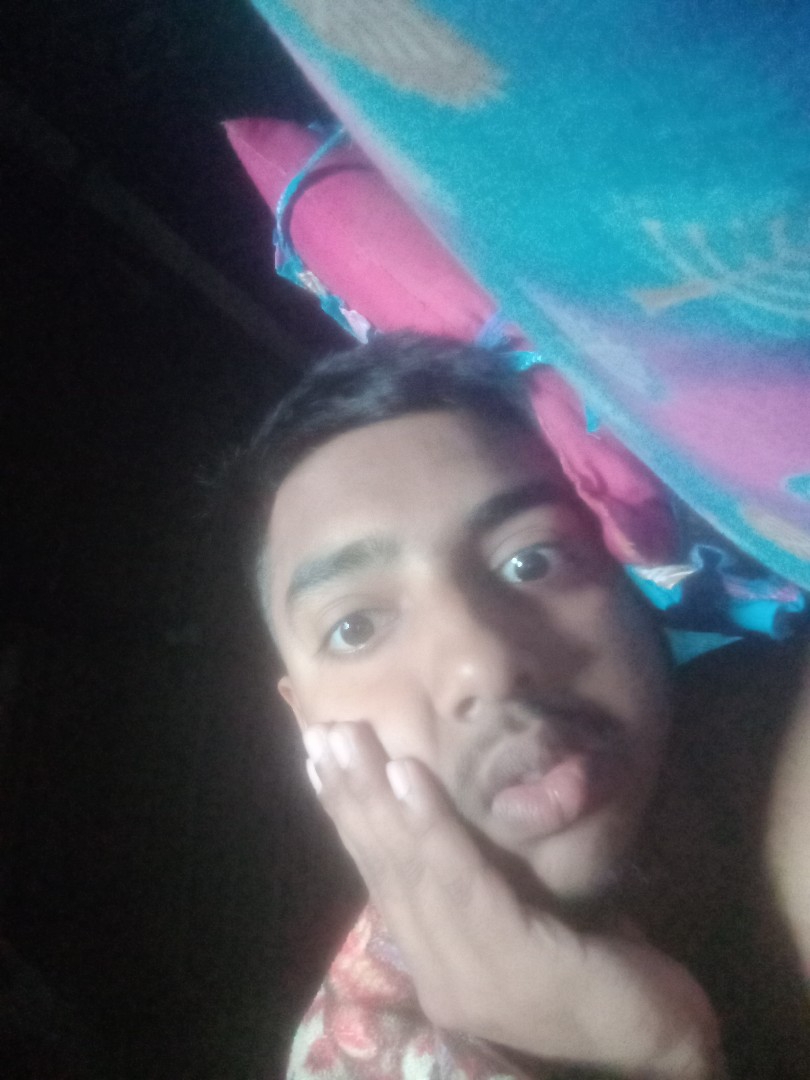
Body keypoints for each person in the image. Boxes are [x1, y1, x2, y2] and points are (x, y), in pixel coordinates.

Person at [238, 333, 806, 1078]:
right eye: (356, 627)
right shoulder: (366, 1054)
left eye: (532, 559)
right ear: (309, 724)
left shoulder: (769, 723)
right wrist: (659, 1057)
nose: (487, 666)